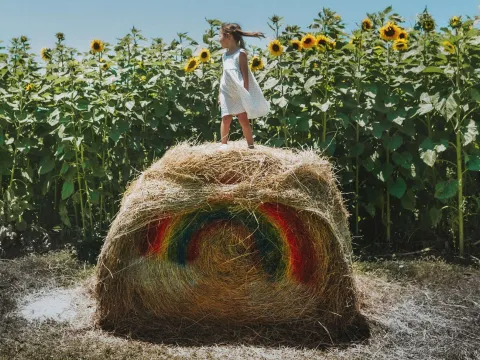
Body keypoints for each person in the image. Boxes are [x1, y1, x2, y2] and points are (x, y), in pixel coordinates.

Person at [218, 23, 270, 150]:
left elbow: (245, 75)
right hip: (226, 91)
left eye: (220, 35)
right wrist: (219, 93)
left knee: (243, 119)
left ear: (228, 36)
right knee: (225, 117)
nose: (219, 39)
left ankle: (251, 146)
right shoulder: (224, 55)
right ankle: (223, 145)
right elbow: (224, 75)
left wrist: (245, 93)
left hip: (238, 91)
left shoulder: (241, 53)